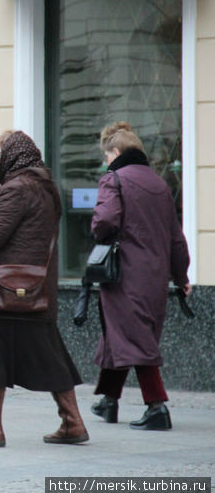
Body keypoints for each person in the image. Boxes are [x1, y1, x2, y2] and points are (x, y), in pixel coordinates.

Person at [0, 130, 87, 447]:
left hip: (6, 289)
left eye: (0, 155)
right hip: (35, 288)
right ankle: (73, 422)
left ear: (12, 156)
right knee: (50, 356)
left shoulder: (16, 188)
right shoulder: (44, 185)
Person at [88, 122, 190, 430]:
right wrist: (180, 275)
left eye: (107, 156)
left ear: (116, 152)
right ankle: (108, 400)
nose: (107, 162)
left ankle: (157, 406)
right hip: (154, 276)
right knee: (119, 334)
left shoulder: (114, 180)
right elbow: (176, 238)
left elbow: (104, 221)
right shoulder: (160, 184)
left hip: (123, 274)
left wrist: (97, 230)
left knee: (136, 338)